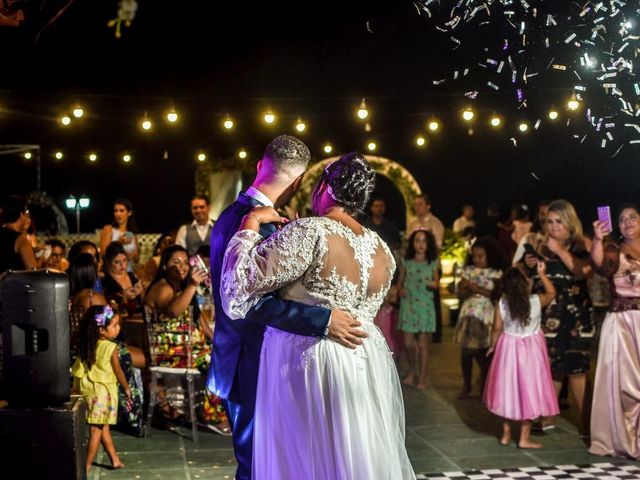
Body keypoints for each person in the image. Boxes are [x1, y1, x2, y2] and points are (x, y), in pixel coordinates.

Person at [221, 152, 415, 479]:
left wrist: (250, 224)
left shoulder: (311, 231)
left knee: (308, 458)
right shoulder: (383, 251)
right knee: (355, 456)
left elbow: (236, 289)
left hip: (310, 361)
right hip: (364, 361)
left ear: (326, 188)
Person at [207, 136, 369, 480]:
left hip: (253, 358)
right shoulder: (249, 222)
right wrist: (322, 319)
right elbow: (246, 303)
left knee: (272, 463)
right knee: (256, 466)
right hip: (248, 360)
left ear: (258, 166)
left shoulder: (230, 215)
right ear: (297, 182)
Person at [519, 199, 593, 432]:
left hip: (576, 315)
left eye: (558, 221)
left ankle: (588, 425)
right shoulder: (540, 246)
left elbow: (584, 272)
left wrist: (559, 250)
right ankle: (549, 416)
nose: (553, 227)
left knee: (577, 369)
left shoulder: (582, 243)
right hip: (550, 315)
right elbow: (527, 277)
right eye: (549, 221)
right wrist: (529, 264)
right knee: (553, 366)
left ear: (570, 222)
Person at [144, 244, 229, 432]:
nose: (182, 266)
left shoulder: (180, 288)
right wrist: (192, 285)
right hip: (168, 351)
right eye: (176, 262)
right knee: (216, 360)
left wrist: (219, 341)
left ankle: (215, 411)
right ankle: (212, 416)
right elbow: (174, 312)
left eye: (185, 262)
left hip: (189, 349)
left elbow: (200, 322)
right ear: (165, 265)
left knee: (224, 353)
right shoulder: (164, 288)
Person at [483, 264, 559, 448]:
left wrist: (492, 345)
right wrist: (542, 274)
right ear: (525, 284)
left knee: (507, 390)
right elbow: (552, 293)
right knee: (530, 390)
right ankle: (524, 438)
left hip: (508, 349)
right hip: (532, 352)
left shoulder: (502, 303)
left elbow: (496, 328)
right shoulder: (535, 300)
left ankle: (506, 434)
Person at [589, 204, 640, 459]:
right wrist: (598, 239)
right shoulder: (614, 249)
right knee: (625, 384)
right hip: (622, 324)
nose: (627, 222)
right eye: (621, 219)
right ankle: (622, 438)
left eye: (632, 217)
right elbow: (599, 264)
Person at [72, 305, 130, 473]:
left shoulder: (88, 344)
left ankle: (115, 460)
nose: (118, 328)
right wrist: (126, 387)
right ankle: (86, 466)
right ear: (102, 330)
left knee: (102, 427)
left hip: (90, 390)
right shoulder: (111, 347)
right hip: (103, 392)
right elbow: (118, 370)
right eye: (114, 325)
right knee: (96, 430)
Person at [454, 237, 505, 399]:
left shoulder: (496, 273)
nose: (477, 259)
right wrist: (464, 289)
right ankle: (467, 384)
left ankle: (485, 384)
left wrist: (479, 289)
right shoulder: (468, 271)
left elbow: (497, 295)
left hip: (487, 316)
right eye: (475, 256)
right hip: (469, 315)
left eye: (481, 256)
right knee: (466, 352)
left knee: (484, 353)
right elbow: (459, 294)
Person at [397, 229, 439, 390]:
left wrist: (433, 284)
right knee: (408, 343)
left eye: (423, 241)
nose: (420, 244)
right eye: (417, 241)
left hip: (425, 306)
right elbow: (400, 281)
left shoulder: (432, 262)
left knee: (423, 345)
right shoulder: (406, 262)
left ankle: (422, 377)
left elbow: (436, 282)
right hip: (409, 304)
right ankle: (412, 370)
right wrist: (400, 290)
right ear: (412, 244)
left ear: (428, 245)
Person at [102, 242, 144, 315]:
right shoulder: (105, 280)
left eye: (124, 260)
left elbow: (142, 303)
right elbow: (105, 312)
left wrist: (142, 292)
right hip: (118, 320)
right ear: (108, 263)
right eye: (117, 262)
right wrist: (122, 298)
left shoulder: (131, 276)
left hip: (137, 317)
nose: (122, 265)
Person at [99, 198, 139, 272]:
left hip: (128, 270)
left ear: (129, 213)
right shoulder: (109, 229)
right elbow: (103, 253)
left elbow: (137, 259)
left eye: (121, 210)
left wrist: (133, 256)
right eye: (116, 211)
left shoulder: (132, 234)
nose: (118, 214)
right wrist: (118, 242)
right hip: (113, 271)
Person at [0, 195, 37, 272]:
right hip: (13, 283)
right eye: (26, 212)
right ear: (21, 214)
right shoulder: (21, 239)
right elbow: (33, 270)